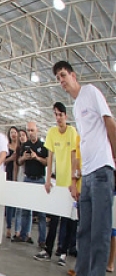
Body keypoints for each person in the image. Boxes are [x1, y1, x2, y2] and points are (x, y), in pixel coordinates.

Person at [54, 60, 116, 276]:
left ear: (73, 74)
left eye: (63, 75)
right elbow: (83, 142)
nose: (61, 80)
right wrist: (76, 178)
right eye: (58, 78)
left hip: (102, 170)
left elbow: (110, 124)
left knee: (100, 232)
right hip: (88, 174)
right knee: (84, 231)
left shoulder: (90, 92)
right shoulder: (77, 105)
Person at [37, 102, 80, 263]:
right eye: (56, 114)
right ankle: (48, 249)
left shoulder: (72, 132)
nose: (58, 117)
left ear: (65, 116)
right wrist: (48, 180)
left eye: (61, 114)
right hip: (57, 181)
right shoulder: (52, 133)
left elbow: (74, 157)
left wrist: (73, 181)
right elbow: (50, 157)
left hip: (69, 183)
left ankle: (62, 252)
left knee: (67, 220)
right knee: (53, 218)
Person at [15, 121, 49, 245]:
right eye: (28, 130)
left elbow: (47, 162)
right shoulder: (25, 146)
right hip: (27, 178)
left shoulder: (44, 145)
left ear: (37, 130)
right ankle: (24, 235)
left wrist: (36, 157)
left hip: (39, 179)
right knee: (25, 209)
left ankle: (42, 240)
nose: (30, 133)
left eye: (32, 130)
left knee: (41, 212)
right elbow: (18, 162)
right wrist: (24, 157)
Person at [3, 126, 21, 239]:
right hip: (8, 175)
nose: (13, 134)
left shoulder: (21, 147)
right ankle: (8, 227)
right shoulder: (6, 147)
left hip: (19, 175)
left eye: (15, 132)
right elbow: (3, 161)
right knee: (9, 204)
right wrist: (11, 158)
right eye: (11, 133)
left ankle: (18, 230)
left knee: (18, 205)